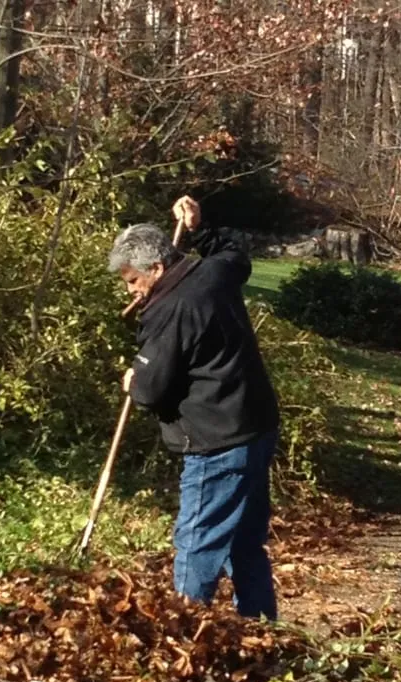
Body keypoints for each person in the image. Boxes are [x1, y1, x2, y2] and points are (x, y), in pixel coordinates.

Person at [108, 196, 280, 619]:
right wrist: (202, 227)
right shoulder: (212, 273)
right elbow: (234, 255)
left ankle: (183, 634)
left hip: (216, 441)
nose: (131, 290)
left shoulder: (169, 310)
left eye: (133, 280)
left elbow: (151, 390)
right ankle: (260, 626)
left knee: (196, 540)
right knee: (244, 541)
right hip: (257, 426)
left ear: (158, 268)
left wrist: (134, 381)